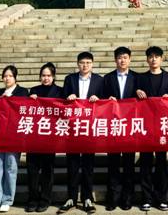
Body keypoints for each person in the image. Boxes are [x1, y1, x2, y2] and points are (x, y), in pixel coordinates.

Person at [58, 52, 103, 214]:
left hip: (90, 128)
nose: (85, 65)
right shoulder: (69, 79)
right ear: (77, 64)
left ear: (92, 64)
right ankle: (71, 198)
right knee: (72, 165)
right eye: (82, 62)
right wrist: (68, 97)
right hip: (73, 128)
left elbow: (106, 100)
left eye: (88, 62)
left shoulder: (99, 80)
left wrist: (98, 98)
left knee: (88, 166)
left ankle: (87, 198)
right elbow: (61, 99)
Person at [0, 65, 29, 213]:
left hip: (13, 137)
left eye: (10, 76)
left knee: (11, 168)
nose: (7, 78)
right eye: (5, 76)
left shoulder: (23, 92)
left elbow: (25, 113)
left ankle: (7, 199)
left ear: (15, 77)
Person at [136, 46, 168, 211]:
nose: (153, 59)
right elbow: (132, 99)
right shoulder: (140, 78)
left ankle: (161, 198)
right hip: (145, 126)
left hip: (163, 125)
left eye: (157, 56)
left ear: (162, 59)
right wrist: (137, 91)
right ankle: (146, 198)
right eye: (151, 56)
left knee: (161, 163)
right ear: (147, 59)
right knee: (145, 163)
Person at [103, 46, 138, 211]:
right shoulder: (107, 78)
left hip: (131, 126)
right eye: (119, 57)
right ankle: (113, 198)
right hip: (113, 126)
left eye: (125, 57)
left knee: (129, 165)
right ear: (115, 60)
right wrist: (107, 99)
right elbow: (100, 98)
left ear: (129, 59)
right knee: (113, 164)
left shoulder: (137, 78)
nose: (122, 60)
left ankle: (127, 198)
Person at [25, 62, 63, 213]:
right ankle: (32, 199)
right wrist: (30, 99)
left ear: (53, 77)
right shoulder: (34, 91)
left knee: (47, 170)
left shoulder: (60, 91)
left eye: (49, 75)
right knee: (32, 169)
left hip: (50, 136)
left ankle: (45, 200)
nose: (46, 78)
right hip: (34, 136)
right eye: (43, 75)